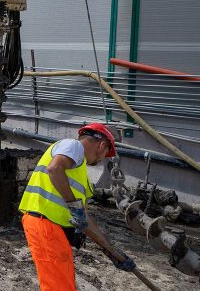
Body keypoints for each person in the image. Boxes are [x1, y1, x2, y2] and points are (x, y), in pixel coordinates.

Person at [19, 123, 136, 290]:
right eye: (106, 154)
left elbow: (83, 219)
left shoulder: (79, 174)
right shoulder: (73, 146)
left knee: (63, 285)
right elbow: (54, 169)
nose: (103, 159)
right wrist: (75, 206)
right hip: (45, 225)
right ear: (102, 145)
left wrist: (111, 251)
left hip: (51, 228)